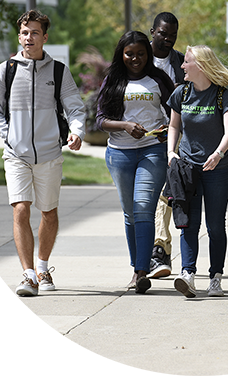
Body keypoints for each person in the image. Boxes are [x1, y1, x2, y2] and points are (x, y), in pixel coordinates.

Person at [0, 9, 86, 297]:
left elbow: (75, 107)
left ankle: (43, 267)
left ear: (45, 36)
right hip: (16, 155)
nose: (29, 37)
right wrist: (10, 137)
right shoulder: (7, 70)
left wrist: (76, 131)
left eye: (35, 32)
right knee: (21, 208)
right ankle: (28, 275)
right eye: (25, 32)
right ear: (19, 36)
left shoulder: (58, 71)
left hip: (50, 155)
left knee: (49, 213)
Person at [96, 30, 174, 294]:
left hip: (152, 150)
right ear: (122, 54)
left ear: (148, 54)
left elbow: (176, 113)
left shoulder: (158, 79)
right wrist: (125, 125)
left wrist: (167, 130)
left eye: (141, 53)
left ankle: (141, 272)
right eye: (130, 54)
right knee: (130, 213)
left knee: (143, 209)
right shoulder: (113, 80)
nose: (135, 58)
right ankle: (136, 267)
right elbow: (100, 120)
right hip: (119, 153)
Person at [167, 45, 228, 298]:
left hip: (219, 169)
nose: (182, 66)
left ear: (201, 66)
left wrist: (218, 154)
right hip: (188, 168)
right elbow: (173, 125)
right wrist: (171, 152)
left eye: (186, 62)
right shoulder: (181, 93)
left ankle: (215, 277)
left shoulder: (222, 96)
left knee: (215, 225)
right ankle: (188, 275)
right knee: (189, 224)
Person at [148, 12, 184, 279]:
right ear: (153, 31)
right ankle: (144, 254)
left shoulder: (183, 63)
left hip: (174, 138)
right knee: (143, 199)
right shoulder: (138, 58)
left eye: (173, 35)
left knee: (166, 191)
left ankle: (160, 249)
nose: (168, 39)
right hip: (141, 139)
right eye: (163, 34)